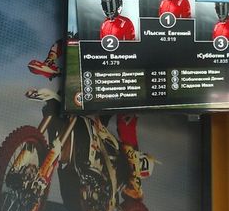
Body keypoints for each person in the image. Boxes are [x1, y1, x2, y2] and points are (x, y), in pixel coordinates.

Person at [28, 39, 143, 200]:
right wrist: (50, 62)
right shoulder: (83, 39)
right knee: (65, 102)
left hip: (119, 88)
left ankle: (134, 178)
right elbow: (63, 44)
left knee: (124, 123)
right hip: (85, 88)